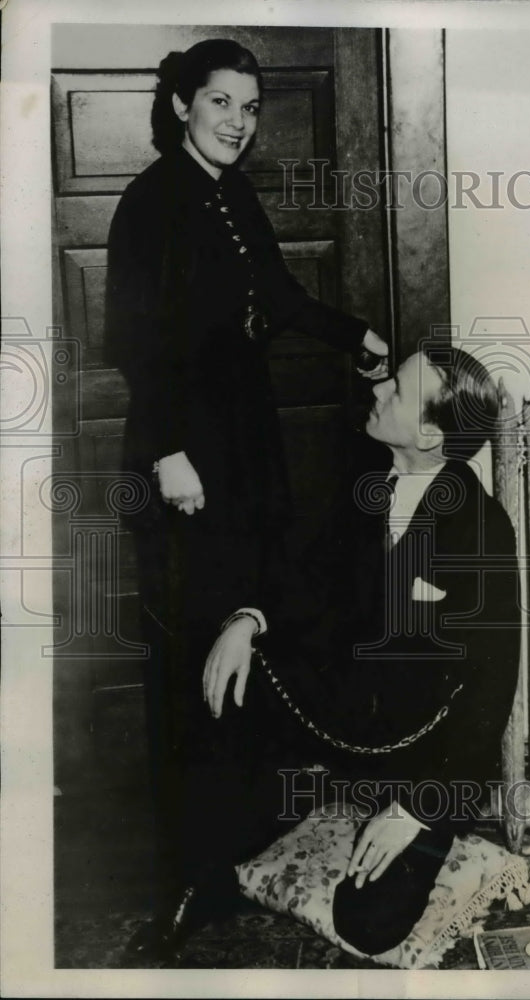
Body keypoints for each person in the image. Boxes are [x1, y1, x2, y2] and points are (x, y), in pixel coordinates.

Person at [104, 38, 388, 955]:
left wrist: (359, 337)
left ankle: (237, 846)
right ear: (183, 104)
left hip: (245, 444)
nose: (237, 121)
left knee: (246, 632)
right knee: (191, 657)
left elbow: (279, 292)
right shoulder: (151, 202)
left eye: (250, 107)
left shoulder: (231, 193)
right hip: (183, 460)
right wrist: (166, 452)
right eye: (220, 103)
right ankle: (188, 877)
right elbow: (133, 343)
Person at [127, 345, 520, 963]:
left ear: (428, 430)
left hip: (419, 756)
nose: (380, 387)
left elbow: (490, 694)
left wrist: (418, 809)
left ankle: (369, 818)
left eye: (398, 390)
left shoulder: (482, 529)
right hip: (340, 716)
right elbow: (302, 579)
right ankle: (201, 876)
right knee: (217, 668)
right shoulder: (366, 485)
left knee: (369, 924)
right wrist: (247, 621)